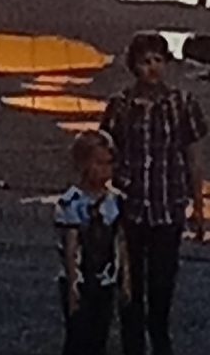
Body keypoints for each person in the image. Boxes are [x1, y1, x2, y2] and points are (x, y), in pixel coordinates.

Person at [98, 31, 207, 355]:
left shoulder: (182, 104)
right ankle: (133, 346)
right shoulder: (120, 106)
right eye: (146, 61)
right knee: (130, 286)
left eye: (158, 60)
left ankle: (160, 340)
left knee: (162, 284)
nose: (153, 68)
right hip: (129, 207)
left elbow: (193, 155)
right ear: (134, 65)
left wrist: (199, 206)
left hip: (168, 206)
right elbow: (105, 155)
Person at [55, 128, 125, 355]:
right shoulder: (71, 202)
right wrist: (74, 284)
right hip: (79, 281)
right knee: (77, 337)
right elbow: (71, 245)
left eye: (109, 163)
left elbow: (121, 242)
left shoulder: (116, 200)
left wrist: (126, 280)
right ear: (83, 163)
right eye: (99, 163)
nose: (105, 170)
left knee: (99, 336)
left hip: (106, 279)